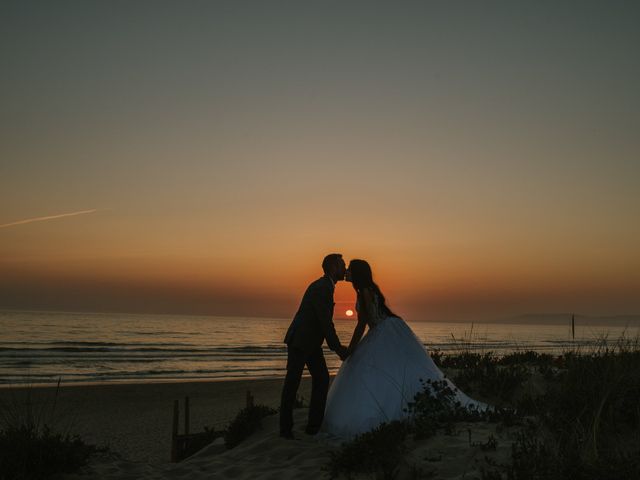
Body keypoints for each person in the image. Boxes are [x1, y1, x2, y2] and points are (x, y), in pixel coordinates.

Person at [321, 259, 483, 438]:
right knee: (389, 370)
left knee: (382, 370)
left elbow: (361, 325)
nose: (346, 272)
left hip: (383, 331)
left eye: (350, 269)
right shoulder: (367, 290)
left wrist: (350, 349)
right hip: (386, 329)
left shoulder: (364, 292)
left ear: (357, 273)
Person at [279, 253, 350, 439]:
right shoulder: (322, 288)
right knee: (292, 384)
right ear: (334, 267)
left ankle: (313, 426)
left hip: (311, 343)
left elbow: (323, 322)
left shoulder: (326, 286)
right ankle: (286, 430)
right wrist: (338, 348)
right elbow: (325, 322)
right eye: (343, 265)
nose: (345, 268)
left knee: (322, 378)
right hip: (300, 341)